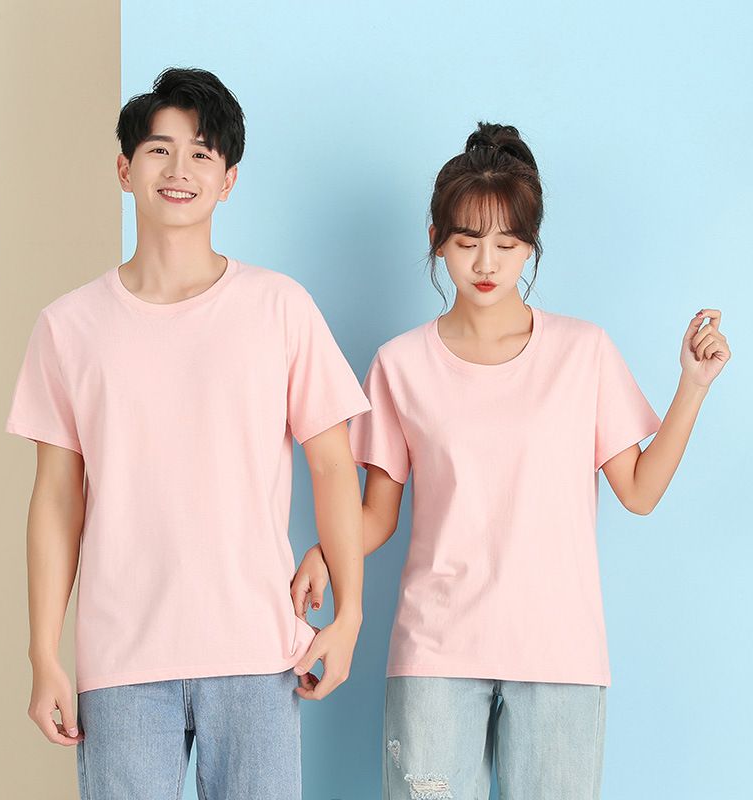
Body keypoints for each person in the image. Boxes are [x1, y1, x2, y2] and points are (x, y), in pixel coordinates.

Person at [291, 121, 731, 799]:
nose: (486, 264)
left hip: (560, 652)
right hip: (436, 652)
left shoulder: (583, 353)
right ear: (436, 240)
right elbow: (377, 514)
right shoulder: (400, 365)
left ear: (531, 245)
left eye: (507, 244)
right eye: (467, 242)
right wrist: (327, 552)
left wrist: (692, 387)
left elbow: (639, 491)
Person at [4, 66, 370, 800]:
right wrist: (44, 653)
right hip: (122, 659)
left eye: (202, 153)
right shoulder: (68, 327)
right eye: (158, 150)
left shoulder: (279, 307)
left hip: (257, 650)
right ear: (124, 169)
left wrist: (351, 615)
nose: (179, 170)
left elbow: (333, 466)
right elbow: (57, 499)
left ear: (228, 180)